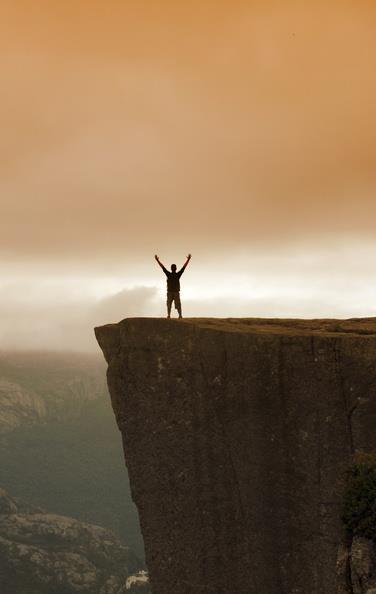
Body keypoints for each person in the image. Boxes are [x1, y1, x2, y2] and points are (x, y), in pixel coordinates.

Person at [155, 254, 191, 319]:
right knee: (177, 304)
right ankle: (179, 315)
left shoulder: (169, 274)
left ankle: (169, 315)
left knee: (169, 304)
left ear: (171, 268)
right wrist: (188, 259)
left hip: (171, 292)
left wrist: (157, 260)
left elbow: (162, 267)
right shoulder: (177, 274)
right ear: (175, 268)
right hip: (175, 292)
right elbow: (184, 267)